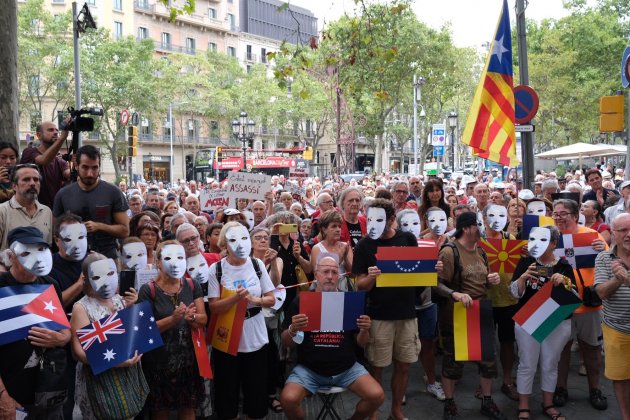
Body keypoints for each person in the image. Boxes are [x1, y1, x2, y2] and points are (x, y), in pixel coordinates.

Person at [280, 256, 385, 420]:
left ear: (339, 276)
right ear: (316, 275)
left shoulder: (349, 301)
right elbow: (286, 343)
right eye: (325, 271)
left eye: (334, 272)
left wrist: (365, 330)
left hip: (347, 368)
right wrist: (293, 329)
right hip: (310, 370)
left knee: (377, 396)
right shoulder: (301, 300)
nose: (330, 276)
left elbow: (361, 343)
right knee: (288, 400)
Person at [353, 198, 420, 420]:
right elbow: (359, 285)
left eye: (379, 219)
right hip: (379, 315)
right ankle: (373, 412)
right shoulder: (364, 245)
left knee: (404, 366)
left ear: (392, 220)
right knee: (377, 366)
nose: (374, 224)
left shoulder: (408, 239)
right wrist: (371, 278)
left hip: (406, 313)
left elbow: (418, 275)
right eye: (370, 218)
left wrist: (433, 266)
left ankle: (396, 411)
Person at [436, 212, 506, 420]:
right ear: (466, 228)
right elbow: (436, 284)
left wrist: (491, 279)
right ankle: (449, 404)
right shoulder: (449, 252)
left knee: (487, 360)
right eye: (478, 225)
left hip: (480, 310)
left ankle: (487, 400)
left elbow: (485, 278)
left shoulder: (481, 251)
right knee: (453, 361)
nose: (482, 229)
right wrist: (454, 294)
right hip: (456, 313)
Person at [0, 227, 71, 418]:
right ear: (11, 256)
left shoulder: (50, 284)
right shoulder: (1, 286)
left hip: (49, 389)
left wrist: (59, 339)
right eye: (26, 252)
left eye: (40, 250)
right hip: (12, 391)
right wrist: (3, 396)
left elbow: (66, 331)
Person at [208, 222, 276, 420]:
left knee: (256, 392)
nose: (240, 244)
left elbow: (271, 299)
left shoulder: (257, 264)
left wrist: (255, 300)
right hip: (227, 337)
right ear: (225, 244)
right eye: (233, 239)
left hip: (254, 335)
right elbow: (213, 307)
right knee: (227, 393)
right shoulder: (216, 269)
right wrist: (235, 298)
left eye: (245, 238)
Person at [511, 226, 575, 420]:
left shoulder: (564, 265)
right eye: (533, 239)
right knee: (527, 364)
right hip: (528, 319)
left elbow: (574, 295)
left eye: (543, 240)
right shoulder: (526, 262)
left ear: (554, 243)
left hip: (555, 321)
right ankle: (524, 406)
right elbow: (514, 293)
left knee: (550, 363)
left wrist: (564, 281)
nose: (536, 244)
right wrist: (522, 277)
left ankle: (548, 404)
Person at [137, 241, 207, 419]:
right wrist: (173, 319)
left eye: (180, 257)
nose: (175, 263)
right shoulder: (148, 290)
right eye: (168, 258)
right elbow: (144, 331)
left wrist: (193, 319)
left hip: (189, 362)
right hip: (158, 364)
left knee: (188, 409)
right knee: (161, 412)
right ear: (158, 263)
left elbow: (203, 318)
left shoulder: (192, 285)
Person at [70, 253, 145, 418]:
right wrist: (118, 363)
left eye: (110, 274)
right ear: (87, 278)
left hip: (126, 378)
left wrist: (132, 309)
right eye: (97, 276)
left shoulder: (120, 300)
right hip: (99, 383)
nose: (105, 280)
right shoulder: (81, 308)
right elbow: (80, 352)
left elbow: (132, 336)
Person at [551, 199, 608, 410]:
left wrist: (605, 249)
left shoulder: (592, 236)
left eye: (563, 213)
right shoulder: (550, 236)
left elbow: (609, 261)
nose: (558, 217)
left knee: (592, 350)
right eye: (555, 213)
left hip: (587, 304)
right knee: (561, 350)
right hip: (559, 304)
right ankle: (560, 388)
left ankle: (595, 389)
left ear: (575, 216)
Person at [52, 145, 129, 259]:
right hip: (73, 259)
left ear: (99, 167)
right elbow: (56, 232)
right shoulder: (63, 194)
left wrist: (100, 226)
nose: (90, 173)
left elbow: (125, 231)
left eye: (94, 168)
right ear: (77, 166)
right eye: (85, 167)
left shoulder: (113, 192)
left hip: (107, 257)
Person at [482, 204, 520, 401]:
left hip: (508, 298)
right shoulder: (477, 240)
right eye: (491, 215)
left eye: (501, 215)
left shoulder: (510, 239)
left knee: (507, 343)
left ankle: (507, 381)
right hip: (485, 299)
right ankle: (485, 383)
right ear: (484, 217)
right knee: (485, 344)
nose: (496, 219)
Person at [594, 213, 630, 419]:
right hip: (616, 328)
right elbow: (600, 293)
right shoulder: (603, 257)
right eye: (623, 230)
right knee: (621, 377)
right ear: (613, 234)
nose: (628, 234)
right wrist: (618, 279)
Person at [19, 120, 71, 208]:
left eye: (57, 131)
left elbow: (69, 174)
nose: (55, 133)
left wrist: (79, 165)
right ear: (39, 135)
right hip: (31, 211)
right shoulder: (29, 152)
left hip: (54, 213)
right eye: (50, 130)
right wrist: (62, 138)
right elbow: (43, 160)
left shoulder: (60, 161)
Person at [0, 163, 52, 249]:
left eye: (36, 179)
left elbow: (47, 247)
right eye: (26, 179)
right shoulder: (2, 211)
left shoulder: (46, 211)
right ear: (14, 186)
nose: (32, 183)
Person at [310, 210, 353, 277]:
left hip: (343, 286)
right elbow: (318, 276)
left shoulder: (345, 246)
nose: (338, 229)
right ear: (324, 229)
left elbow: (353, 274)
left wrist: (345, 258)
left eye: (339, 226)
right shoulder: (317, 249)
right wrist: (338, 260)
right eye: (334, 226)